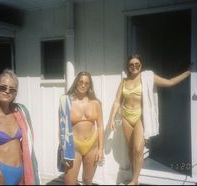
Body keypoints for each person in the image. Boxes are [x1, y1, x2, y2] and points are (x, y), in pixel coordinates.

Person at [109, 54, 191, 185]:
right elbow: (117, 102)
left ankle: (135, 180)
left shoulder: (147, 77)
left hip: (141, 117)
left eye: (137, 64)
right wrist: (112, 119)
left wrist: (187, 73)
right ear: (128, 66)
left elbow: (169, 82)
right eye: (131, 65)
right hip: (126, 116)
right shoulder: (124, 81)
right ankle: (133, 178)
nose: (134, 67)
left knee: (137, 149)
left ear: (141, 65)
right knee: (130, 149)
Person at [58, 71, 104, 185]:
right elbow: (61, 128)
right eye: (81, 82)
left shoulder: (96, 103)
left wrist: (101, 149)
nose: (83, 85)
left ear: (90, 86)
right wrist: (64, 150)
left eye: (87, 83)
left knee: (88, 181)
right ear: (76, 82)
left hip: (92, 145)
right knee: (70, 182)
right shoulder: (66, 101)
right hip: (73, 146)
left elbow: (101, 126)